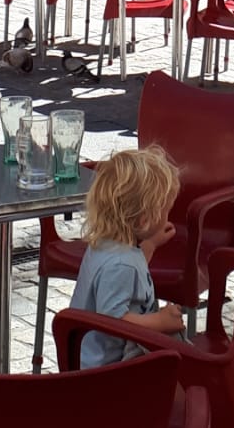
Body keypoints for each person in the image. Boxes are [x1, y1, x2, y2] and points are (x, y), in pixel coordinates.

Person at [71, 146, 185, 368]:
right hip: (108, 368)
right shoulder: (121, 265)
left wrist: (151, 243)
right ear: (145, 220)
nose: (168, 216)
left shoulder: (107, 245)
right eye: (165, 211)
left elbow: (130, 282)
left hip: (92, 358)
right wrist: (159, 322)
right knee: (180, 363)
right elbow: (113, 322)